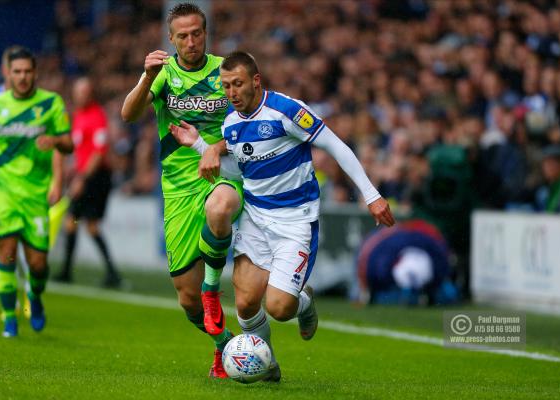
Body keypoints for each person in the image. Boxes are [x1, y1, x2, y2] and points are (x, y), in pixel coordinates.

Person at [170, 51, 396, 381]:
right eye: (226, 86)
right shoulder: (232, 124)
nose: (231, 92)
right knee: (246, 304)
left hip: (295, 221)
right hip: (256, 218)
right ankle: (268, 365)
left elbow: (335, 146)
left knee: (278, 308)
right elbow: (241, 166)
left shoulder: (287, 111)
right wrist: (199, 147)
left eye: (238, 84)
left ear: (256, 81)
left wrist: (371, 194)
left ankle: (304, 302)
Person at [120, 3, 242, 378]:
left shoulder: (226, 71)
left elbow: (251, 122)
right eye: (183, 36)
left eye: (197, 34)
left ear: (206, 34)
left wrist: (216, 150)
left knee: (220, 207)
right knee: (187, 301)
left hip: (224, 173)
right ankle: (227, 348)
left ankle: (212, 287)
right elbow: (128, 115)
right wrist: (145, 78)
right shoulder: (162, 74)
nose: (191, 42)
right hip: (176, 188)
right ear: (170, 39)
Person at [0, 46, 73, 337]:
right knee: (6, 253)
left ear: (35, 73)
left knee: (37, 264)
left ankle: (34, 296)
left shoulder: (51, 104)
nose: (22, 77)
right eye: (16, 71)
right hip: (3, 190)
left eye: (27, 71)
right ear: (9, 73)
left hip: (36, 193)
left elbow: (69, 145)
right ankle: (10, 317)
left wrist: (55, 140)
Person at [54, 77, 121, 287]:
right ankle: (70, 271)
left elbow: (99, 153)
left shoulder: (97, 116)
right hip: (84, 175)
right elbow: (82, 150)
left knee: (88, 225)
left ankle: (110, 274)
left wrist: (82, 179)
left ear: (91, 93)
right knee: (73, 223)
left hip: (96, 177)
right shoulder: (78, 116)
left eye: (84, 91)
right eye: (78, 91)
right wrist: (72, 169)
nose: (80, 95)